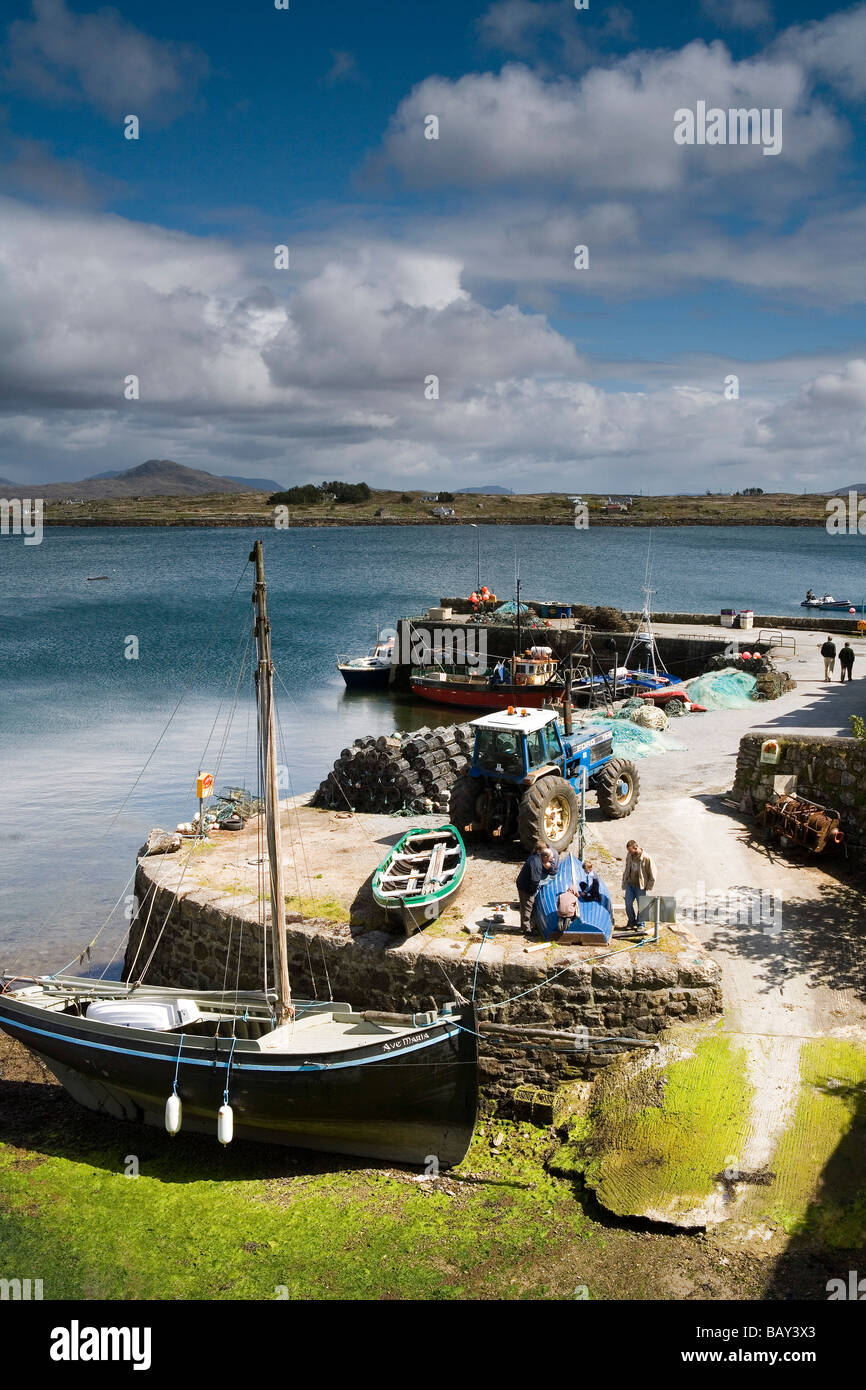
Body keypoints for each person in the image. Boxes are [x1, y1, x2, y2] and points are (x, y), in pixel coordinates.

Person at [516, 842, 559, 935]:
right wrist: (532, 893)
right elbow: (535, 881)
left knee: (525, 906)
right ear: (545, 857)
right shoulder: (537, 865)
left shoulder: (536, 857)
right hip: (525, 886)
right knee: (527, 907)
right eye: (550, 859)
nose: (551, 860)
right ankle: (526, 930)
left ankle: (526, 926)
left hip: (523, 882)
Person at [621, 839, 656, 931]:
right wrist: (624, 880)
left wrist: (649, 886)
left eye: (630, 851)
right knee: (628, 904)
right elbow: (627, 868)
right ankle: (631, 922)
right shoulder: (629, 856)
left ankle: (641, 924)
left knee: (642, 905)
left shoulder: (646, 858)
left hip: (640, 886)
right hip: (630, 884)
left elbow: (653, 873)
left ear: (635, 848)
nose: (629, 853)